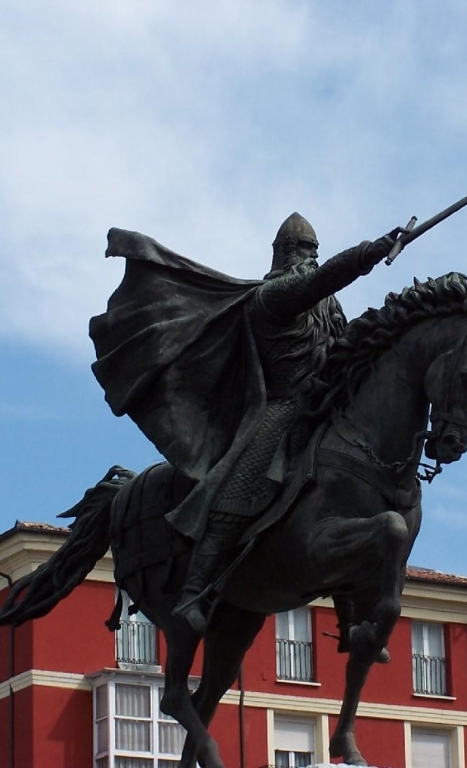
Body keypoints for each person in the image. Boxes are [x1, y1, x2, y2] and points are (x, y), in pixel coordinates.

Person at [90, 213, 402, 635]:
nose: (309, 260)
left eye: (313, 253)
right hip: (278, 408)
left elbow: (343, 346)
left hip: (324, 406)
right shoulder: (274, 296)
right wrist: (373, 250)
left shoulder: (329, 307)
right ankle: (194, 590)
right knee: (240, 486)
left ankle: (351, 610)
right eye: (303, 252)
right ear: (285, 255)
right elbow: (321, 280)